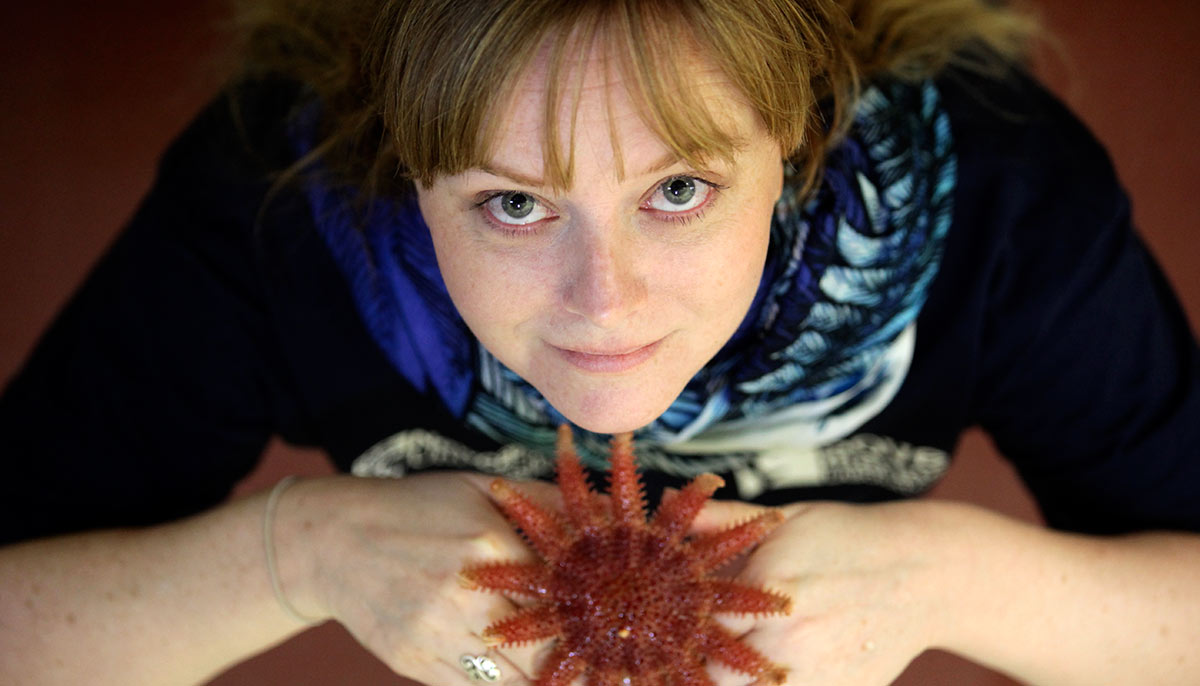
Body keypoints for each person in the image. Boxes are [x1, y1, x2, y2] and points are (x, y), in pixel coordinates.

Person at [1, 0, 1197, 684]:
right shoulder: (280, 191)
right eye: (514, 203)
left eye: (678, 190)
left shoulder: (988, 182)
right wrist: (304, 553)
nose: (605, 304)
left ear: (800, 131)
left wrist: (948, 574)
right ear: (403, 162)